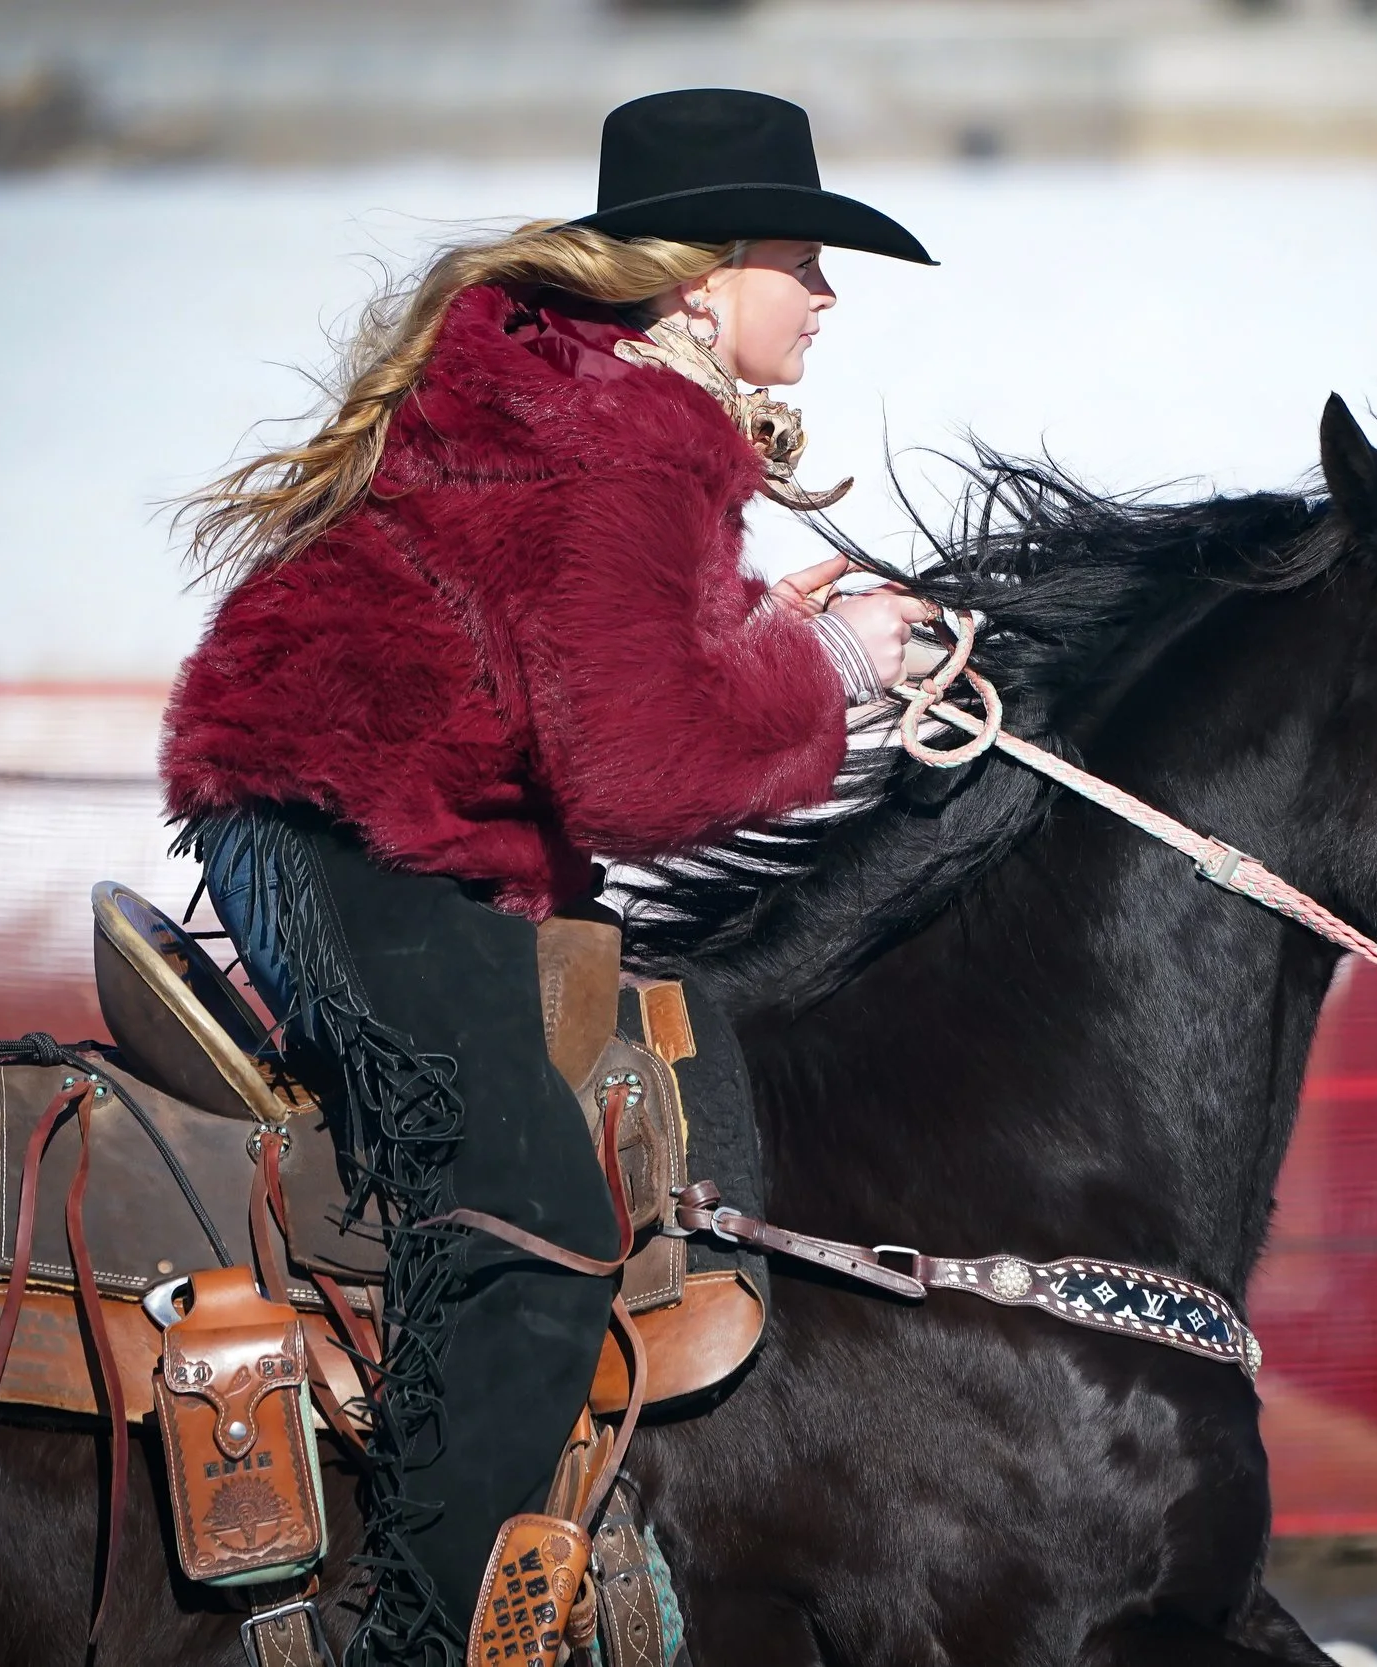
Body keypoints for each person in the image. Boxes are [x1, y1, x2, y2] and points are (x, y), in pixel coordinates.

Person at [159, 87, 934, 1665]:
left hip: (356, 813)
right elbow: (644, 775)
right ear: (706, 279)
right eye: (806, 256)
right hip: (339, 825)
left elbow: (592, 667)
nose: (832, 294)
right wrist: (838, 670)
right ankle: (416, 1640)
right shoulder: (633, 434)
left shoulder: (586, 395)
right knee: (533, 1220)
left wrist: (765, 634)